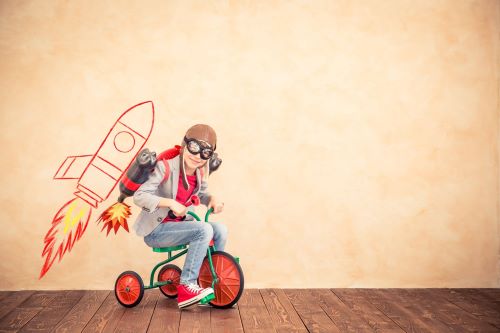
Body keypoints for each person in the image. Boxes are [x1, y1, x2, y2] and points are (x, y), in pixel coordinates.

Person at [132, 124, 227, 309]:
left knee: (220, 229)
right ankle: (186, 287)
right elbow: (139, 196)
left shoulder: (199, 173)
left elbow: (199, 194)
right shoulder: (165, 167)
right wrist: (170, 203)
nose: (197, 156)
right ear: (184, 145)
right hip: (157, 231)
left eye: (205, 153)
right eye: (193, 148)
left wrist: (212, 199)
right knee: (203, 230)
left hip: (179, 227)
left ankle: (208, 281)